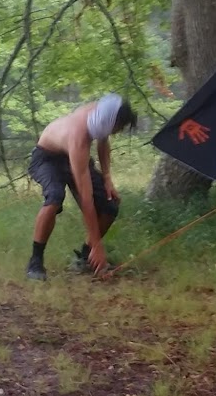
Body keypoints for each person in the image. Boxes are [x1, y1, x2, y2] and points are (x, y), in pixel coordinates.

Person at [25, 92, 137, 279]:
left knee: (110, 204)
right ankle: (35, 262)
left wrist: (107, 178)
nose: (119, 131)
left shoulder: (100, 114)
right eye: (120, 128)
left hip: (71, 156)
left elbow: (103, 142)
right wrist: (98, 245)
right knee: (54, 197)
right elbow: (86, 199)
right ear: (112, 123)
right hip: (47, 158)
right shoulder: (79, 138)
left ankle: (86, 257)